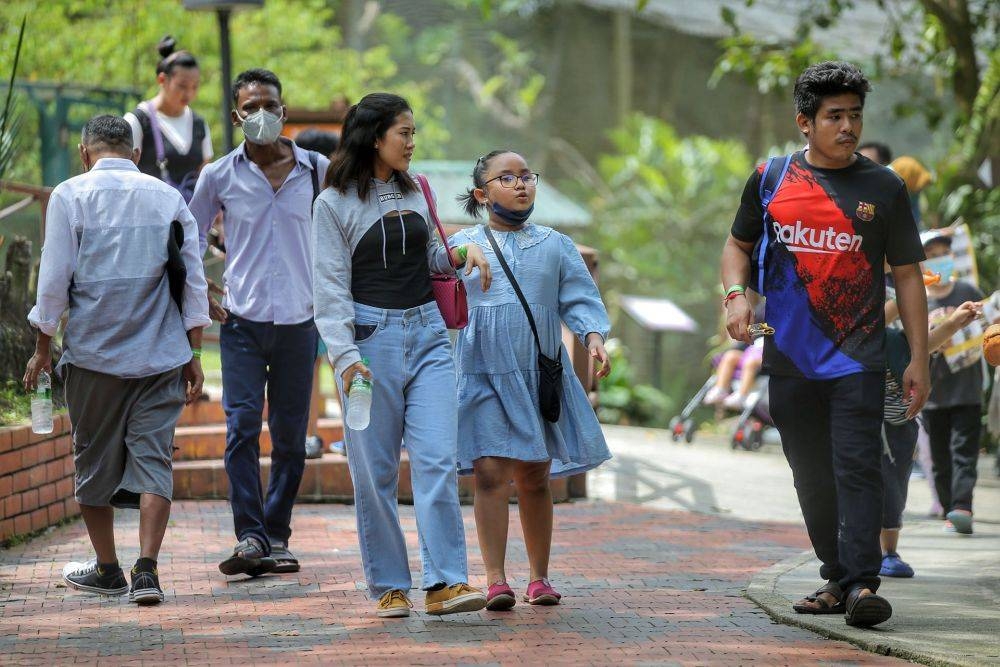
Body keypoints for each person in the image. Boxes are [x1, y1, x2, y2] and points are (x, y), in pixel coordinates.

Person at [720, 61, 929, 628]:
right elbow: (736, 247)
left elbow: (907, 274)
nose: (848, 127)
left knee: (857, 467)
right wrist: (737, 297)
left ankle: (862, 584)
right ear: (804, 123)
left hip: (856, 358)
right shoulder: (771, 177)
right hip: (788, 359)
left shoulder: (883, 187)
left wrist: (916, 357)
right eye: (834, 116)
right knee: (810, 474)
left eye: (855, 116)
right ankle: (838, 575)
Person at [312, 92, 491, 618]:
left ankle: (445, 584)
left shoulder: (419, 191)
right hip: (370, 344)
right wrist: (345, 358)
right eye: (404, 134)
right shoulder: (334, 203)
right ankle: (390, 584)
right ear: (374, 136)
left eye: (414, 133)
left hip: (430, 335)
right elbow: (328, 287)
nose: (412, 143)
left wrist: (460, 250)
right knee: (376, 472)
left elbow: (431, 256)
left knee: (437, 460)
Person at [22, 114, 210, 605]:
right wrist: (193, 352)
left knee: (93, 460)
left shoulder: (69, 195)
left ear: (85, 154)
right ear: (136, 154)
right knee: (154, 460)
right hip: (160, 356)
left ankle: (108, 569)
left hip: (94, 359)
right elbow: (192, 279)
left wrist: (43, 348)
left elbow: (54, 277)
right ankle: (146, 569)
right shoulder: (168, 197)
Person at [450, 150, 612, 610]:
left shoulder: (555, 244)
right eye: (507, 178)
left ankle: (539, 577)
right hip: (481, 371)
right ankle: (495, 579)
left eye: (527, 176)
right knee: (488, 473)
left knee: (536, 475)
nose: (521, 185)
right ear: (482, 194)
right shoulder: (463, 244)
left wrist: (594, 336)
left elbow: (580, 298)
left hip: (539, 372)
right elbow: (433, 286)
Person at [188, 69, 330, 578]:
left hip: (300, 323)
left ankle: (276, 534)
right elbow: (188, 235)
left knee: (290, 439)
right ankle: (249, 535)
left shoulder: (317, 171)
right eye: (251, 107)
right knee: (241, 428)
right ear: (236, 116)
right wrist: (202, 287)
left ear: (284, 111)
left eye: (270, 104)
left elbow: (343, 234)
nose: (262, 114)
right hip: (241, 323)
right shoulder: (218, 176)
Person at [879, 288, 980, 576]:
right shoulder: (869, 335)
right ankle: (865, 552)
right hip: (867, 425)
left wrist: (956, 321)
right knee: (868, 488)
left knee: (895, 490)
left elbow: (927, 343)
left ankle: (889, 552)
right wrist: (907, 293)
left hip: (901, 426)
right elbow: (875, 322)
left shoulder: (900, 341)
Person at [921, 233, 985, 535]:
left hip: (967, 389)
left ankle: (962, 507)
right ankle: (949, 509)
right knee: (940, 459)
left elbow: (988, 328)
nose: (940, 258)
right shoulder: (916, 298)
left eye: (944, 252)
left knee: (964, 453)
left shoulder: (967, 290)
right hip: (932, 393)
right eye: (932, 253)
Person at [292, 128, 342, 460]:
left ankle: (310, 436)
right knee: (341, 364)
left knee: (313, 370)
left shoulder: (299, 195)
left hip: (308, 297)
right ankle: (350, 438)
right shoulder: (333, 197)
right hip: (329, 295)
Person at [124, 36, 212, 199]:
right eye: (182, 86)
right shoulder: (137, 121)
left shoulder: (199, 124)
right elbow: (123, 178)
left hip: (190, 220)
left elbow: (206, 179)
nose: (189, 93)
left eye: (195, 87)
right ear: (162, 79)